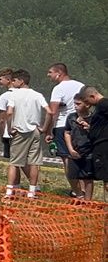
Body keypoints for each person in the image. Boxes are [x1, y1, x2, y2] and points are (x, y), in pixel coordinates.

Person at [2, 69, 50, 199]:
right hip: (34, 131)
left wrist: (10, 128)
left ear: (21, 81)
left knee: (14, 162)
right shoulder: (38, 95)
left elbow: (10, 112)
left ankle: (9, 191)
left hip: (20, 132)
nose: (12, 83)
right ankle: (32, 192)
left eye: (14, 80)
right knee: (34, 162)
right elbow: (49, 112)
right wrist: (44, 128)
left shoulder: (14, 95)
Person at [43, 63, 85, 198]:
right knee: (80, 157)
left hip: (62, 125)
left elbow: (52, 112)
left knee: (67, 158)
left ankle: (77, 193)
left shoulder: (58, 88)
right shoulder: (81, 85)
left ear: (59, 73)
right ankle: (84, 191)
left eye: (50, 72)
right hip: (79, 124)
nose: (48, 75)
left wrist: (48, 130)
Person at [76, 86, 107, 200]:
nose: (87, 105)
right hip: (99, 143)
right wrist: (90, 127)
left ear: (93, 96)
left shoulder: (103, 104)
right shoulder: (100, 107)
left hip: (104, 146)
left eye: (87, 101)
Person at [65, 94, 95, 200]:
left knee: (88, 178)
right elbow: (67, 132)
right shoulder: (71, 117)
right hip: (74, 150)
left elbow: (99, 134)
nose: (75, 106)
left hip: (89, 152)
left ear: (87, 105)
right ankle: (79, 194)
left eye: (78, 104)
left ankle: (88, 202)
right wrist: (70, 149)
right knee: (71, 175)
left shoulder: (94, 118)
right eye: (74, 103)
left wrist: (89, 128)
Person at [0, 67, 15, 160]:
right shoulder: (24, 94)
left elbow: (1, 120)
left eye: (0, 79)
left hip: (9, 133)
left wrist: (2, 135)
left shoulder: (4, 96)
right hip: (23, 131)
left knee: (13, 162)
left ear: (8, 79)